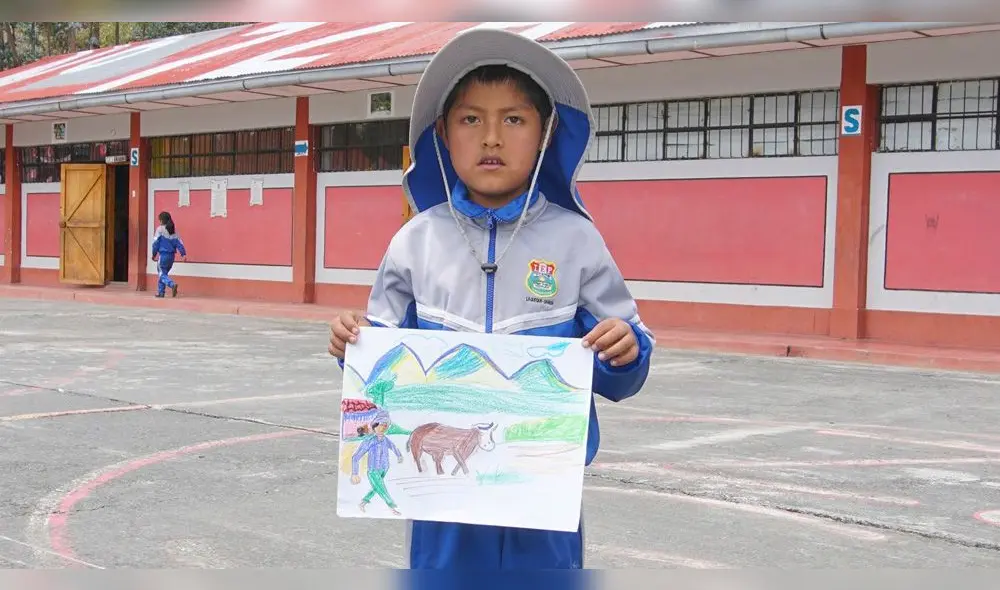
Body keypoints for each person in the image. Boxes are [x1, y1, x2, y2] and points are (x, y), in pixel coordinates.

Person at [328, 28, 655, 571]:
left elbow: (625, 366)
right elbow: (379, 363)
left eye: (514, 119)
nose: (492, 138)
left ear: (546, 134)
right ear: (442, 134)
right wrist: (350, 346)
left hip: (543, 501)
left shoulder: (576, 241)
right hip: (442, 513)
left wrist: (626, 350)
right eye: (471, 119)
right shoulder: (415, 242)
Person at [350, 409, 404, 516]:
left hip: (384, 468)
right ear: (375, 425)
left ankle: (363, 502)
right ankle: (392, 506)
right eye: (380, 425)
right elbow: (356, 457)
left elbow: (393, 447)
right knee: (382, 488)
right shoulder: (370, 440)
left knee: (377, 488)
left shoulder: (385, 439)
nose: (383, 428)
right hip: (373, 470)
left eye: (385, 425)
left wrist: (399, 455)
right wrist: (355, 473)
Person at [151, 211, 187, 298]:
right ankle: (161, 292)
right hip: (171, 257)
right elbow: (179, 244)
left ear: (161, 220)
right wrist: (183, 254)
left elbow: (155, 243)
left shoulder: (160, 229)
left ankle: (172, 284)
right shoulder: (173, 231)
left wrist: (154, 254)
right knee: (164, 273)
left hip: (163, 256)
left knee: (161, 273)